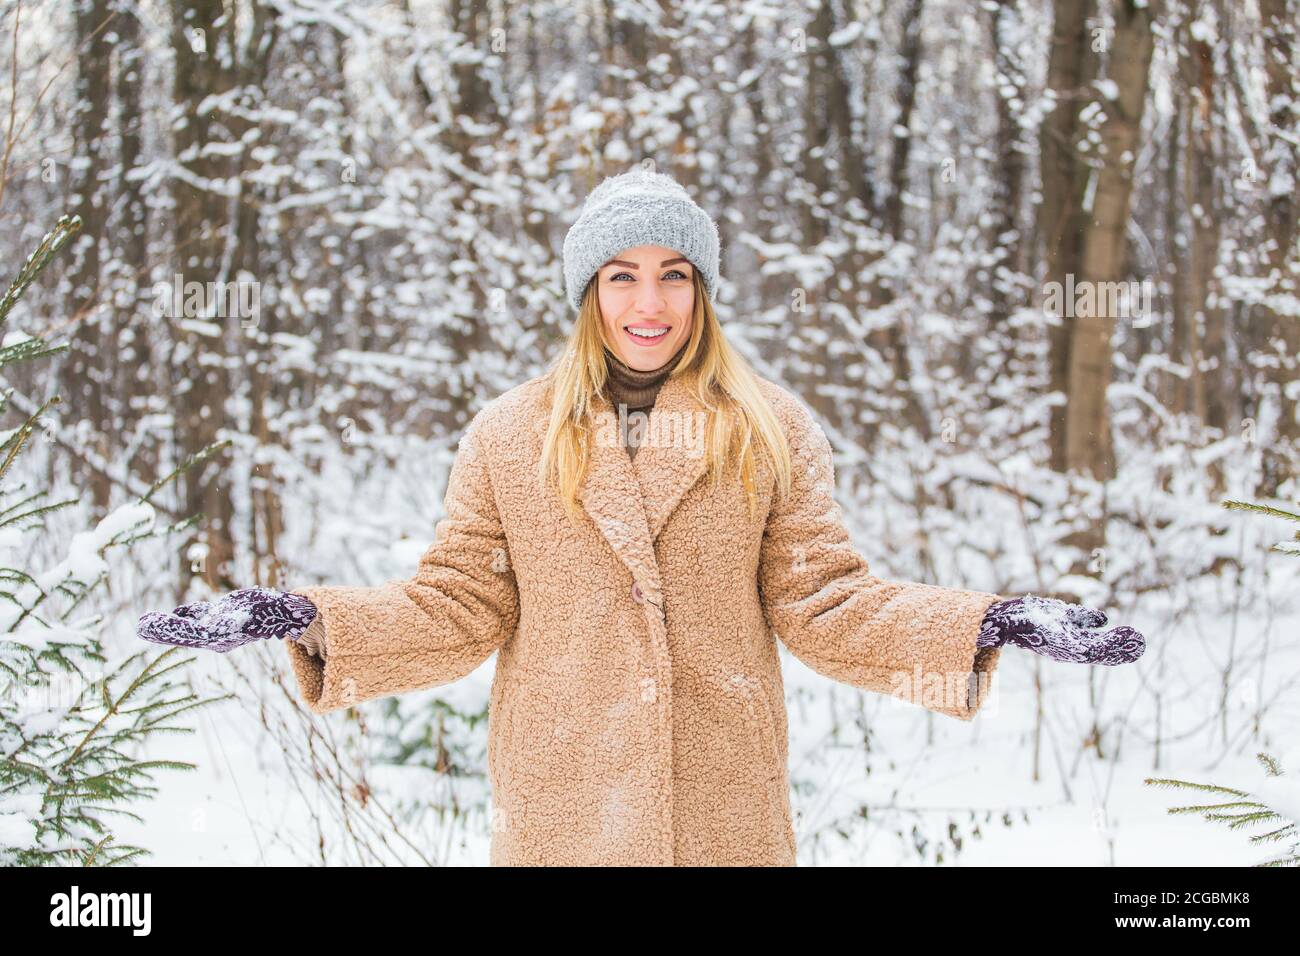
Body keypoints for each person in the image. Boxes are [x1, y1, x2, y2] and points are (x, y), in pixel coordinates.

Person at [138, 167, 1145, 866]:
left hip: (721, 812)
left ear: (703, 291)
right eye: (621, 275)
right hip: (562, 811)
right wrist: (309, 616)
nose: (647, 301)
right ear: (588, 292)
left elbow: (826, 600)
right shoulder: (509, 434)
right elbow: (457, 605)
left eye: (673, 274)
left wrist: (983, 620)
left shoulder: (770, 428)